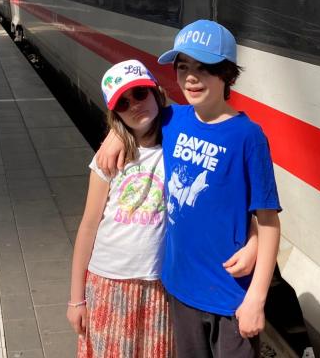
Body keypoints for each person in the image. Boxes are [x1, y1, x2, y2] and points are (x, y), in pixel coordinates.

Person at [96, 20, 282, 358]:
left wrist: (256, 297)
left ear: (227, 74)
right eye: (183, 67)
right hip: (180, 289)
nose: (191, 77)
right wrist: (113, 135)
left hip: (230, 295)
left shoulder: (248, 137)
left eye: (204, 67)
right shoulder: (174, 120)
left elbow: (268, 220)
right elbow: (136, 116)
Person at [71, 59, 259, 358]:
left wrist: (254, 237)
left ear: (157, 93)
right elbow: (88, 226)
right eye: (122, 102)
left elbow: (224, 199)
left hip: (159, 285)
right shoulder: (109, 159)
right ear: (114, 113)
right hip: (108, 282)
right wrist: (76, 299)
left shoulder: (181, 141)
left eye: (140, 94)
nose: (134, 105)